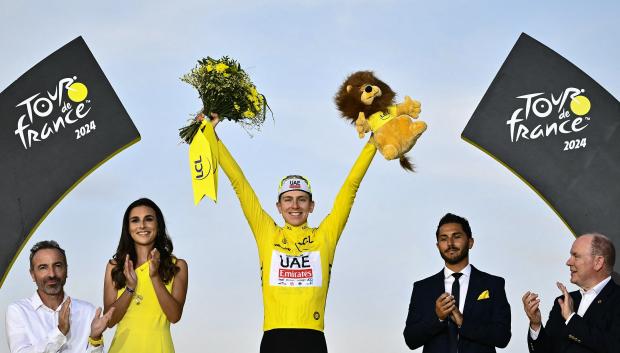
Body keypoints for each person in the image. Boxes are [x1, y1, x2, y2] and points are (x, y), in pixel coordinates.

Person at [209, 113, 376, 353]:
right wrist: (213, 138)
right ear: (279, 207)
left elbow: (351, 187)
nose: (294, 206)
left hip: (313, 339)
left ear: (311, 206)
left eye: (301, 200)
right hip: (274, 339)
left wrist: (373, 142)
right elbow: (240, 184)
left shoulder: (324, 236)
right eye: (287, 200)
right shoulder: (267, 233)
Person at [403, 213, 511, 353]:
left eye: (457, 236)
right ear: (438, 246)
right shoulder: (422, 288)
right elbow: (411, 340)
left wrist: (463, 322)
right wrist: (438, 318)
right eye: (444, 239)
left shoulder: (493, 284)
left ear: (470, 242)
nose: (450, 243)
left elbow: (502, 337)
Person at [103, 198, 188, 353]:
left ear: (158, 225)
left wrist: (154, 276)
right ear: (128, 228)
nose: (142, 225)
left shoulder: (177, 266)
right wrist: (130, 288)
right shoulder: (115, 267)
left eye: (148, 219)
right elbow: (109, 321)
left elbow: (174, 316)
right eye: (135, 220)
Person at [5, 240, 114, 353]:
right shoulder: (18, 311)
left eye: (57, 266)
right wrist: (60, 331)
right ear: (32, 275)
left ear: (66, 270)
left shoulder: (87, 311)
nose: (52, 274)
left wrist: (95, 339)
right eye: (43, 267)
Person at [522, 233, 620, 353]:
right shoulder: (563, 301)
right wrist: (536, 324)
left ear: (598, 262)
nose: (568, 262)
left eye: (576, 256)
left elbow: (613, 346)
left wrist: (571, 318)